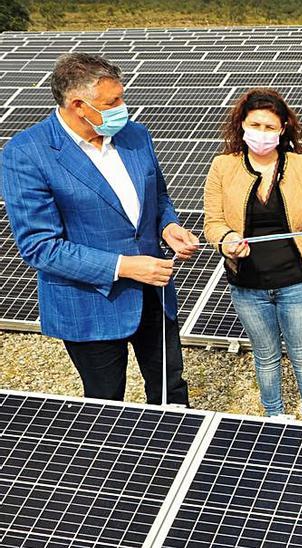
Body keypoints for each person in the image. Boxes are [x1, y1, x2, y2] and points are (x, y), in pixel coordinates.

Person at [0, 53, 198, 405]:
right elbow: (40, 246)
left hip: (154, 293)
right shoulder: (27, 154)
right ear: (78, 105)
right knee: (105, 403)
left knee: (171, 389)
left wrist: (168, 226)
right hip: (89, 301)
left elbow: (159, 196)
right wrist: (123, 266)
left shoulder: (135, 135)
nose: (123, 107)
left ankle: (173, 454)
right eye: (114, 101)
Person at [203, 89, 302, 422]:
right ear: (241, 124)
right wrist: (227, 240)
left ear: (283, 128)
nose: (261, 133)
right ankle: (274, 418)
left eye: (269, 126)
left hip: (297, 280)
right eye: (254, 124)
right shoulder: (222, 167)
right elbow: (212, 222)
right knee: (266, 357)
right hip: (247, 283)